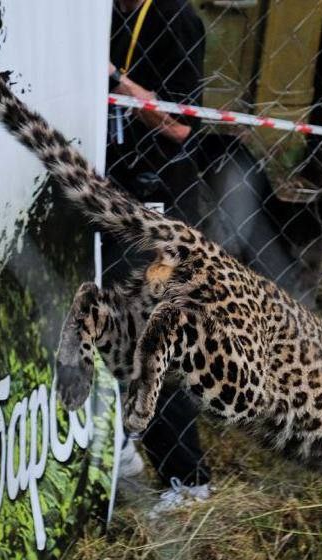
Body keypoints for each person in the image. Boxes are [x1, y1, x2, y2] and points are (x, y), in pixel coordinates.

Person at [106, 0, 212, 512]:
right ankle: (122, 444)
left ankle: (187, 476)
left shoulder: (178, 18)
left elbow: (179, 125)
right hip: (114, 193)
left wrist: (117, 82)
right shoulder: (103, 14)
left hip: (161, 201)